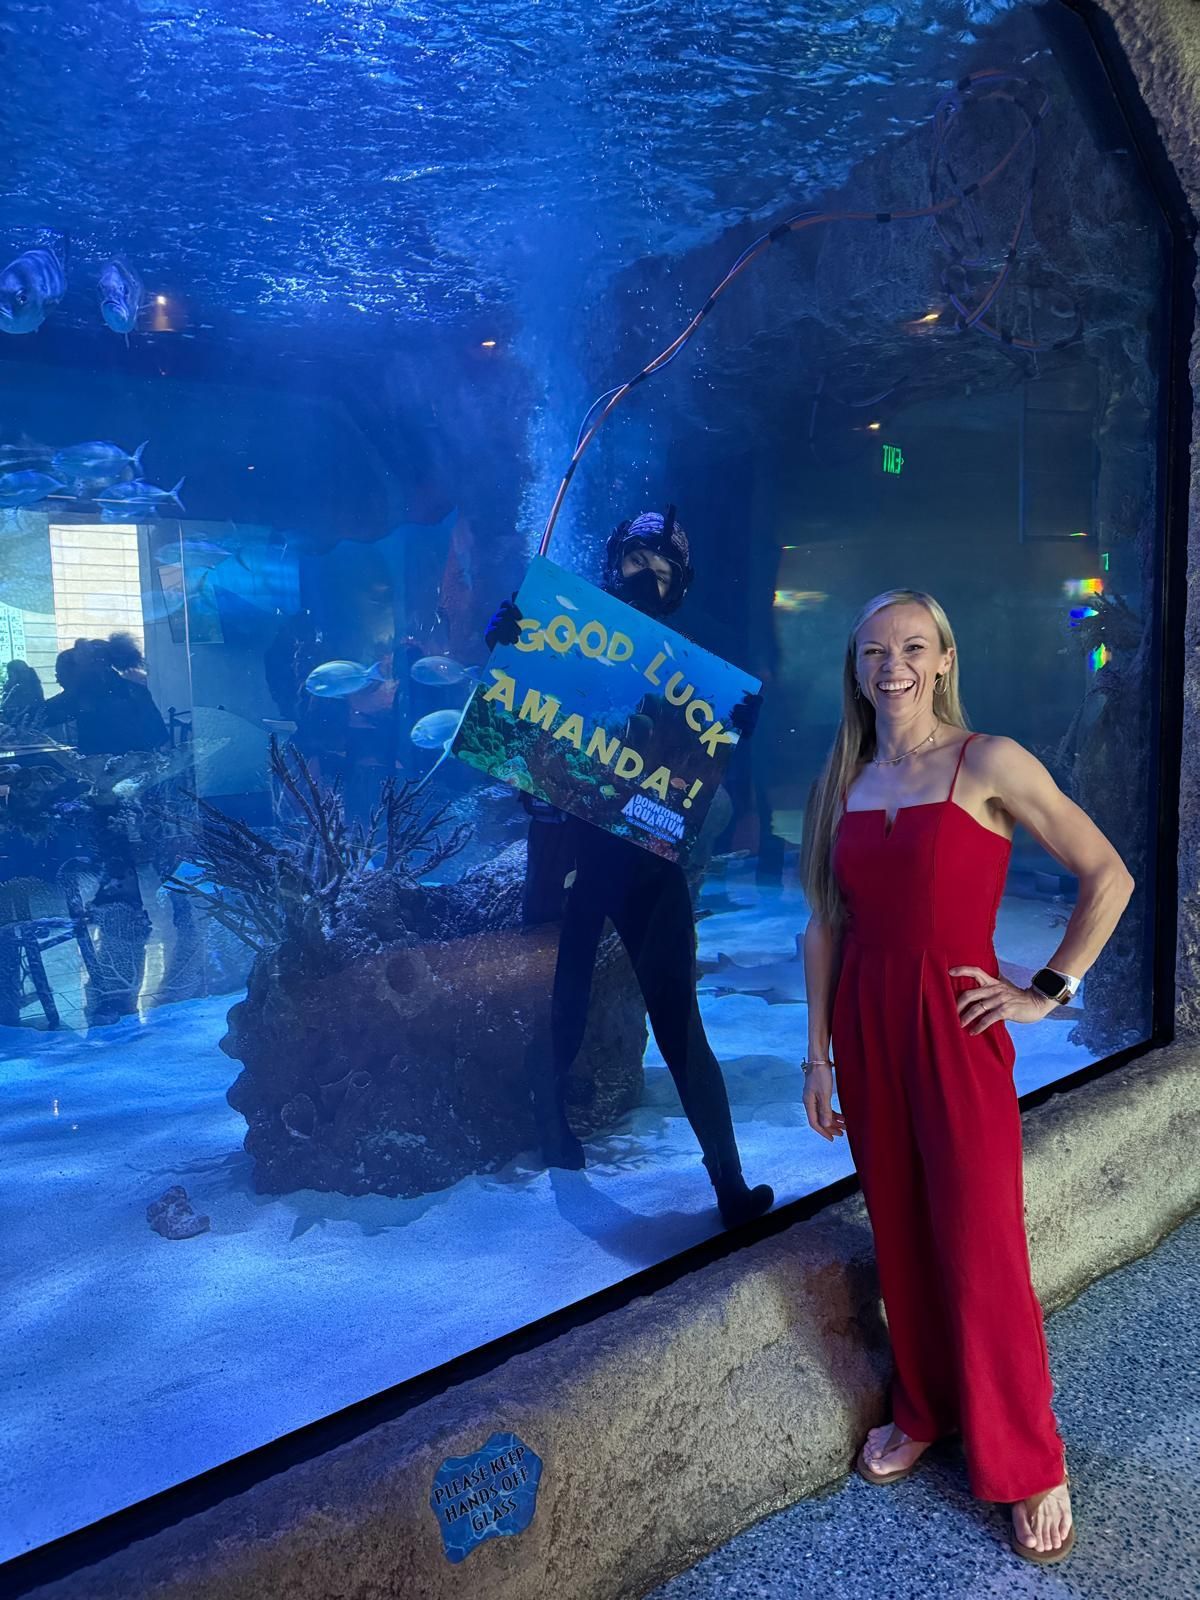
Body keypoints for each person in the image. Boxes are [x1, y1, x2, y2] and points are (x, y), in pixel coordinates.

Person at [800, 588, 1134, 1565]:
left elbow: (1105, 871)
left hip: (955, 1026)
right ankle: (926, 1407)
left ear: (943, 657)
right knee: (901, 1234)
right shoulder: (847, 777)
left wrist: (1049, 987)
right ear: (855, 669)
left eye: (910, 648)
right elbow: (827, 924)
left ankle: (1030, 1457)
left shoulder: (987, 760)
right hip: (865, 1028)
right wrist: (817, 1052)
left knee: (981, 1243)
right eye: (872, 652)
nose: (890, 667)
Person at [486, 508, 774, 1229]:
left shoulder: (697, 654)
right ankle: (551, 1125)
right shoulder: (568, 637)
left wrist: (743, 720)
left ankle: (729, 1182)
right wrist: (505, 647)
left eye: (662, 568)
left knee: (680, 1025)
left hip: (648, 865)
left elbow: (715, 738)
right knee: (566, 1008)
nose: (646, 579)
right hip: (574, 859)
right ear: (612, 567)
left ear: (681, 582)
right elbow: (514, 723)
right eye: (634, 564)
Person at [0, 659, 44, 727]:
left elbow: (8, 711)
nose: (8, 680)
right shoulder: (35, 687)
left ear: (19, 675)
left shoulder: (18, 691)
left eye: (10, 676)